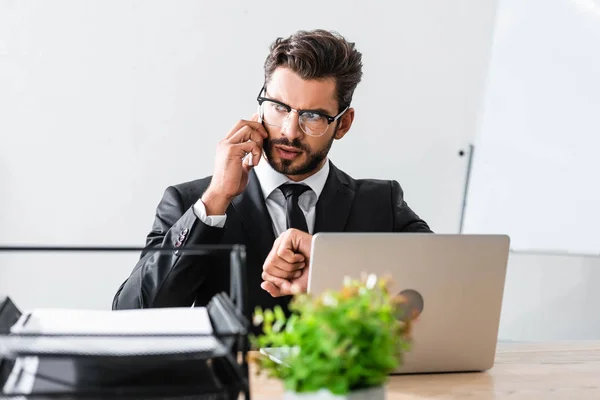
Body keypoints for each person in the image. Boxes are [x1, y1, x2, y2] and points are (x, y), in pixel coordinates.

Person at [112, 29, 432, 319]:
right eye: (278, 107)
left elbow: (442, 291)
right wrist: (215, 199)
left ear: (343, 124)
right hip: (240, 384)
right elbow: (132, 315)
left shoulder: (381, 204)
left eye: (313, 116)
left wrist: (330, 272)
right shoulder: (191, 203)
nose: (290, 132)